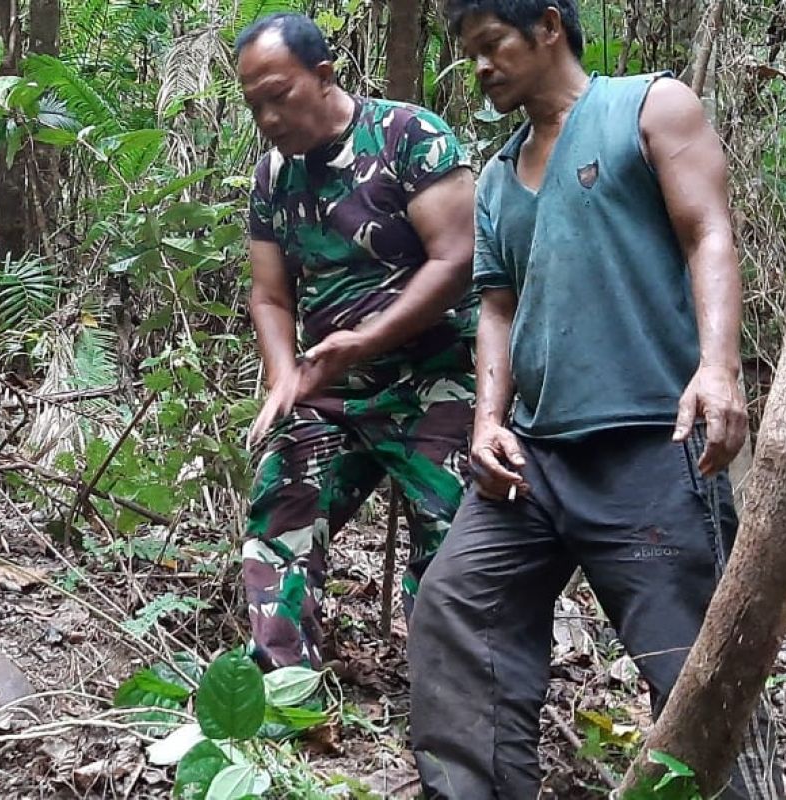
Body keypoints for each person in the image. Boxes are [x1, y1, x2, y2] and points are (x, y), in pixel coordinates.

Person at [407, 2, 785, 798]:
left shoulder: (648, 107)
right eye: (469, 53)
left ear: (548, 26)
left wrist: (718, 369)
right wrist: (486, 423)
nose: (479, 67)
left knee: (692, 667)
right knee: (456, 609)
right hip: (533, 458)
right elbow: (497, 308)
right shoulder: (499, 177)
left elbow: (707, 232)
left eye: (492, 45)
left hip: (652, 440)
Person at [236, 12, 478, 671]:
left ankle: (449, 706)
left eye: (278, 96)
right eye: (254, 105)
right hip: (331, 388)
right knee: (280, 516)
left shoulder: (408, 138)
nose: (268, 118)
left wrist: (366, 341)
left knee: (455, 542)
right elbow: (270, 295)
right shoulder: (272, 180)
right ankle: (282, 693)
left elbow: (456, 262)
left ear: (322, 76)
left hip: (434, 378)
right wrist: (285, 375)